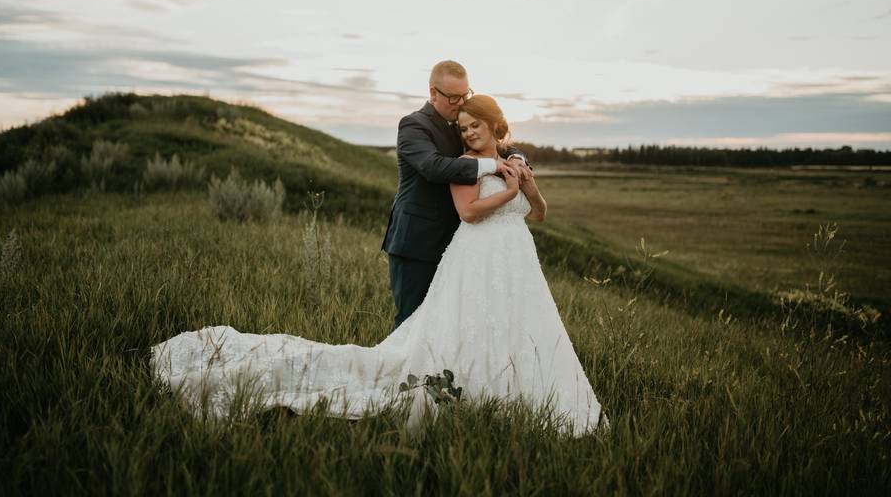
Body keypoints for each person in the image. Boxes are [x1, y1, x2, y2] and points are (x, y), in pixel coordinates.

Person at [150, 93, 604, 436]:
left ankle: (526, 397)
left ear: (495, 125)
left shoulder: (513, 161)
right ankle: (467, 392)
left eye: (475, 126)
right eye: (462, 126)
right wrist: (505, 188)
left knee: (521, 329)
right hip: (475, 255)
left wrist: (526, 182)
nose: (468, 133)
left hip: (517, 260)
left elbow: (539, 213)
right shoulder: (463, 164)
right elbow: (468, 213)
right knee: (465, 329)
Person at [381, 60, 531, 328]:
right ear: (433, 93)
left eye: (465, 95)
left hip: (458, 247)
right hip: (417, 242)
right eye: (453, 97)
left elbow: (497, 142)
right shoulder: (413, 126)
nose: (460, 102)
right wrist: (491, 165)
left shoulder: (462, 124)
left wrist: (517, 158)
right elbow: (433, 167)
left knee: (448, 326)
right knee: (412, 323)